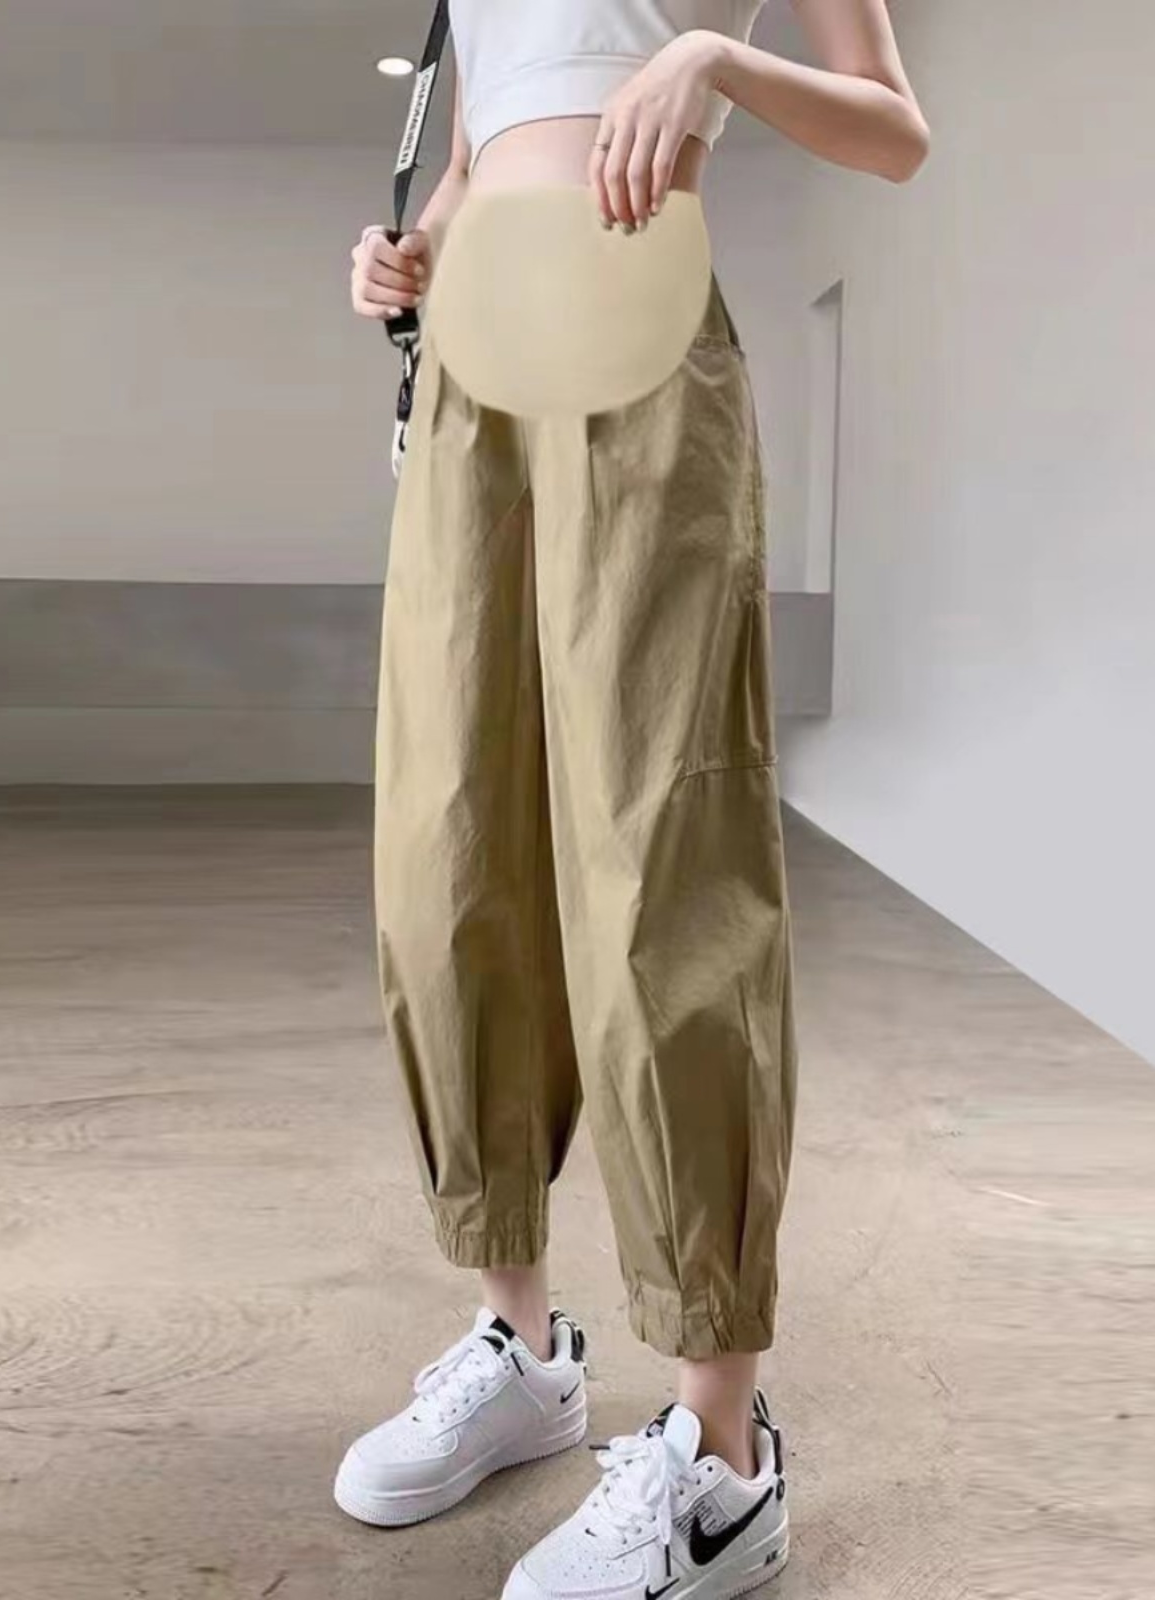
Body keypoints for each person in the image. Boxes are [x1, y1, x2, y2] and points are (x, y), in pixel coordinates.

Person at [338, 3, 928, 1595]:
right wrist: (407, 255)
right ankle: (520, 1349)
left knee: (664, 860)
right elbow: (478, 150)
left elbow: (893, 128)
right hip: (473, 362)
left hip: (642, 322)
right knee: (449, 854)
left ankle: (722, 1453)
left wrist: (716, 63)